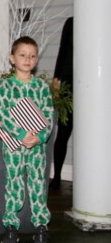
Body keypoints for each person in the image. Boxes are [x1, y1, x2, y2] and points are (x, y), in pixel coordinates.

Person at [0, 37, 54, 243]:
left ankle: (40, 226)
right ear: (12, 58)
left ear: (36, 59)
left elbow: (48, 114)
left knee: (38, 184)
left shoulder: (41, 87)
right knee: (14, 183)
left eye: (32, 55)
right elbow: (2, 114)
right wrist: (21, 133)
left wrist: (39, 137)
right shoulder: (7, 87)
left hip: (36, 146)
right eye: (22, 55)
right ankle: (11, 225)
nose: (27, 59)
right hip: (14, 144)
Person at [50, 17, 73, 190]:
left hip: (95, 87)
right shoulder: (71, 22)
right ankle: (56, 177)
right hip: (68, 84)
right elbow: (62, 50)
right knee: (63, 132)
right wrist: (56, 80)